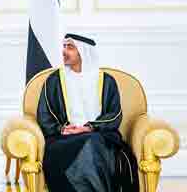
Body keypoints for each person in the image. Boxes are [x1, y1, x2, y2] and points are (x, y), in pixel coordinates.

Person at [36, 33, 138, 192]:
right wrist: (61, 129)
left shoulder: (106, 81)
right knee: (90, 145)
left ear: (83, 52)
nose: (64, 51)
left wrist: (89, 127)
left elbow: (115, 114)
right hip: (64, 139)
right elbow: (44, 114)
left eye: (70, 47)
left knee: (93, 143)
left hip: (99, 134)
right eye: (63, 46)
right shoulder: (54, 80)